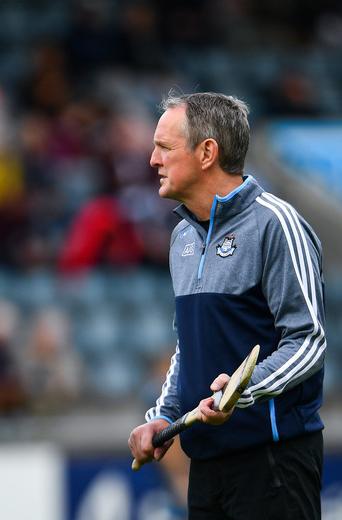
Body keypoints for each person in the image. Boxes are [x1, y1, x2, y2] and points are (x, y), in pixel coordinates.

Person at [128, 91, 326, 519]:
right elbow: (190, 347)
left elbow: (308, 341)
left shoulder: (277, 224)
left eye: (164, 147)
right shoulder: (181, 237)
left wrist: (241, 391)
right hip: (206, 465)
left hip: (273, 463)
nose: (152, 160)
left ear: (207, 153)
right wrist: (164, 417)